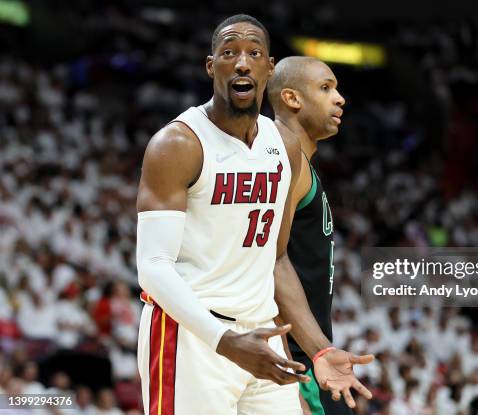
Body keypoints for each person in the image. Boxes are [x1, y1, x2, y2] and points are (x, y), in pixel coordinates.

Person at [135, 14, 372, 415]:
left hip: (263, 336)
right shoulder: (178, 143)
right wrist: (225, 341)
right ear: (212, 67)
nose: (242, 62)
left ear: (268, 67)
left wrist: (320, 351)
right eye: (229, 53)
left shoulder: (283, 146)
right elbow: (153, 267)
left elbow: (276, 259)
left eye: (253, 53)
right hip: (194, 336)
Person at [268, 56, 353, 414]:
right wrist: (294, 381)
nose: (339, 98)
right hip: (301, 361)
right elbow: (267, 264)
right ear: (291, 98)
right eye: (325, 87)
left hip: (313, 351)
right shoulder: (285, 159)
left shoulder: (299, 161)